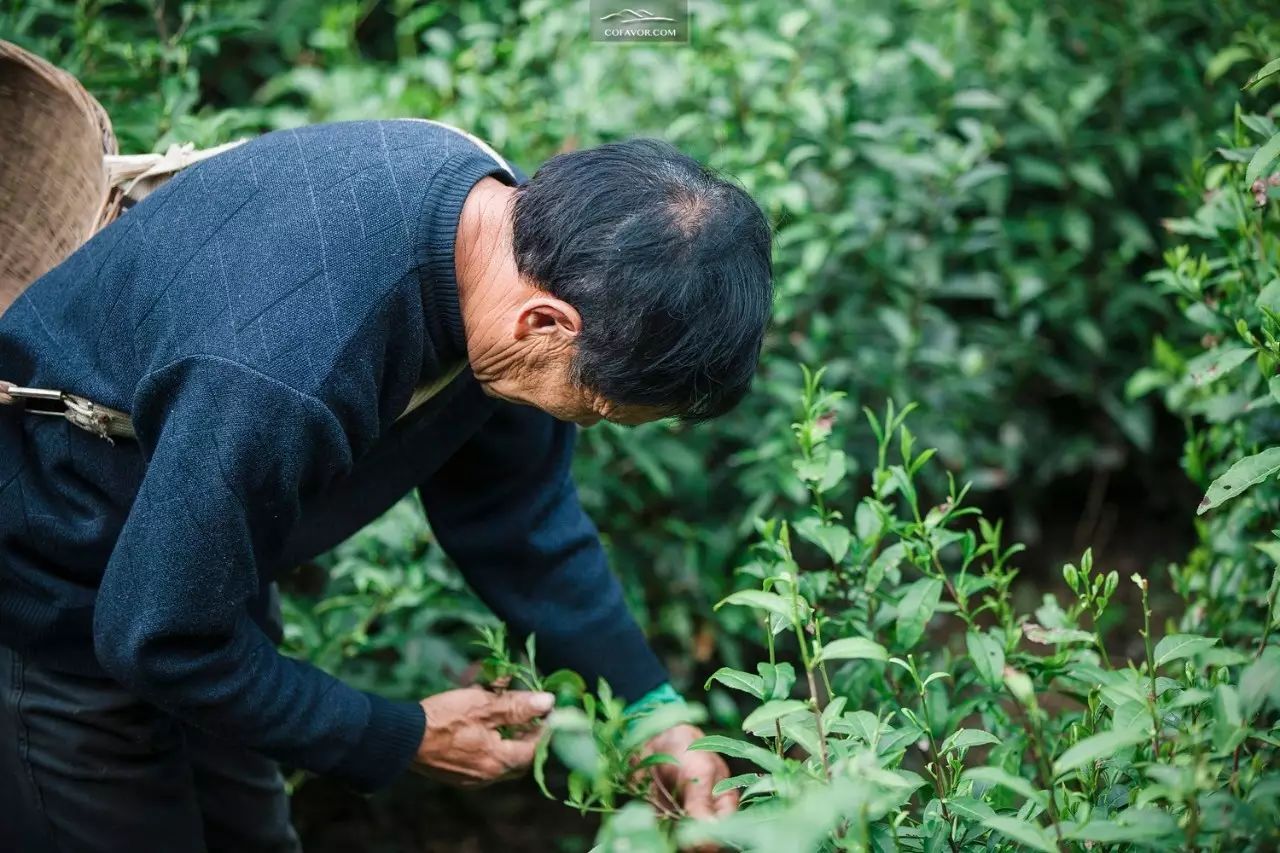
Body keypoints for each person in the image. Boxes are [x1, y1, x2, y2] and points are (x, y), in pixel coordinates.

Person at [0, 119, 774, 852]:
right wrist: (401, 733)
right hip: (59, 591)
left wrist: (650, 710)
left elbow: (517, 517)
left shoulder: (506, 245)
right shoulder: (283, 366)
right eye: (601, 410)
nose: (590, 423)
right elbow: (157, 635)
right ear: (545, 325)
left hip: (201, 572)